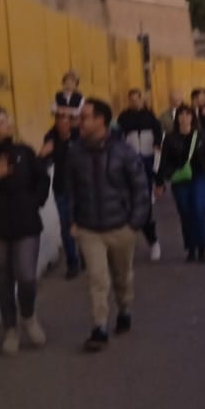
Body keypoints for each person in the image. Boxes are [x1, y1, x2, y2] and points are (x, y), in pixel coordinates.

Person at [66, 98, 150, 352]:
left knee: (122, 277)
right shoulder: (75, 152)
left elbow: (140, 188)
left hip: (120, 226)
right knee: (97, 278)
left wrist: (133, 224)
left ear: (100, 120)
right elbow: (70, 191)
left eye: (85, 117)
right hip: (89, 228)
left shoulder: (123, 151)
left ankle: (124, 309)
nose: (79, 122)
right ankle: (99, 328)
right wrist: (72, 221)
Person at [0, 107, 51, 354]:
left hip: (25, 222)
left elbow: (42, 178)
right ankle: (10, 328)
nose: (9, 123)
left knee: (26, 276)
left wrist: (35, 201)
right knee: (4, 279)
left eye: (7, 119)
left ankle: (28, 316)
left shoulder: (23, 151)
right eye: (2, 121)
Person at [156, 104, 205, 263]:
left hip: (199, 176)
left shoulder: (201, 136)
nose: (184, 118)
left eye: (187, 114)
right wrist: (159, 182)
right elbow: (164, 161)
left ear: (192, 118)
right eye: (181, 115)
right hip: (180, 179)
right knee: (185, 212)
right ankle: (190, 248)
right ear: (177, 119)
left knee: (198, 209)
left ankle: (201, 247)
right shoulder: (170, 138)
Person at [116, 88, 163, 261]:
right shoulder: (123, 118)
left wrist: (159, 180)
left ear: (142, 100)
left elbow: (158, 136)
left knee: (144, 208)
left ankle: (153, 241)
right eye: (132, 99)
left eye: (137, 99)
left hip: (147, 161)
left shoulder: (150, 117)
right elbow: (118, 137)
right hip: (129, 163)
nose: (135, 102)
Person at [40, 103, 80, 279]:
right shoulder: (50, 137)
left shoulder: (79, 135)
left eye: (66, 117)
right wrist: (42, 155)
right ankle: (72, 262)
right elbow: (42, 163)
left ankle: (86, 254)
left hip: (82, 188)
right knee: (66, 227)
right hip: (62, 189)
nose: (63, 121)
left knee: (84, 224)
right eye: (59, 117)